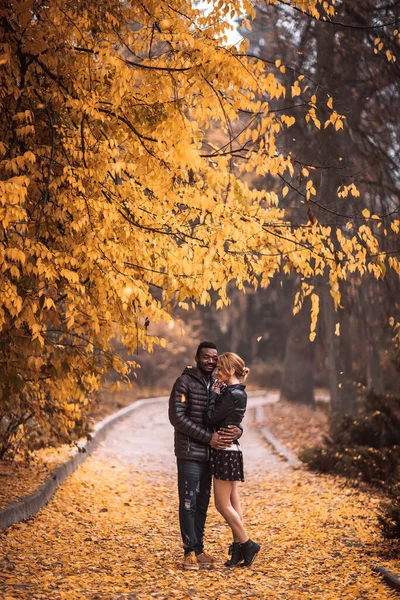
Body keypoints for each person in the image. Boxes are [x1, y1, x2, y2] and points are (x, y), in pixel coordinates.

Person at [168, 342, 242, 571]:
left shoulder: (217, 383)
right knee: (188, 501)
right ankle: (188, 552)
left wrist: (239, 430)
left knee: (202, 503)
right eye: (206, 357)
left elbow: (228, 415)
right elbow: (177, 418)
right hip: (190, 452)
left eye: (214, 358)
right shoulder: (184, 382)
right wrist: (209, 438)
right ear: (197, 358)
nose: (211, 361)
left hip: (212, 455)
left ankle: (199, 549)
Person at [206, 352, 260, 568]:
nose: (217, 373)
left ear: (229, 370)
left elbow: (210, 417)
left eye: (220, 369)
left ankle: (247, 543)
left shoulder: (231, 393)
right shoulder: (236, 392)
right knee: (233, 501)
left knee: (221, 504)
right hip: (232, 450)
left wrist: (212, 394)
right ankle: (238, 549)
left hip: (225, 451)